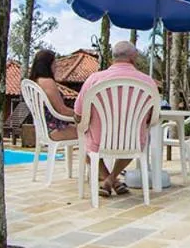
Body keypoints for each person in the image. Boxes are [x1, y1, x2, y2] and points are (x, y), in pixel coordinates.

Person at [74, 40, 159, 198]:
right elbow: (153, 118)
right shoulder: (148, 82)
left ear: (113, 57)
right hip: (132, 141)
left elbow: (78, 114)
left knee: (85, 145)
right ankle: (112, 180)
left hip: (98, 140)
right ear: (134, 58)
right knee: (136, 141)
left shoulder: (94, 79)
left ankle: (108, 180)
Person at [27, 49, 77, 142]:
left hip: (43, 129)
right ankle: (90, 157)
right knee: (90, 132)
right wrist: (82, 115)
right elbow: (62, 110)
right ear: (48, 65)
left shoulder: (34, 81)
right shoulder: (47, 82)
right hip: (54, 129)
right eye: (54, 63)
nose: (56, 66)